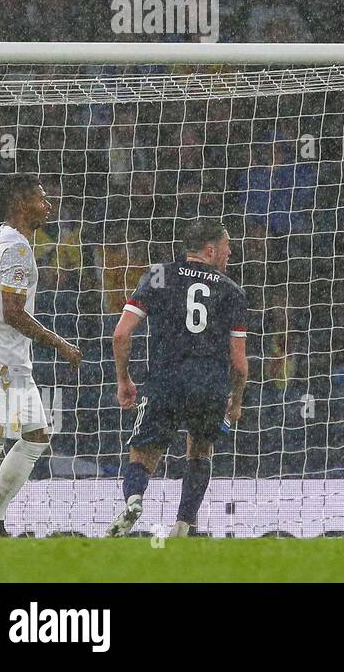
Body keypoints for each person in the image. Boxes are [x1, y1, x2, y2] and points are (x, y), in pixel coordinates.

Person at [108, 218, 249, 537]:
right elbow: (239, 364)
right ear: (210, 250)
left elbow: (121, 335)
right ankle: (184, 524)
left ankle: (134, 498)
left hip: (164, 381)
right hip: (209, 385)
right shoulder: (232, 291)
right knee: (200, 450)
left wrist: (123, 380)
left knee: (143, 453)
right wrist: (236, 401)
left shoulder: (158, 274)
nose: (230, 253)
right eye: (226, 247)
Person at [0, 175, 81, 537]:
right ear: (21, 203)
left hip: (6, 357)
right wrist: (59, 343)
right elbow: (13, 311)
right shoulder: (15, 247)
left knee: (36, 437)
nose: (49, 205)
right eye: (42, 199)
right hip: (1, 360)